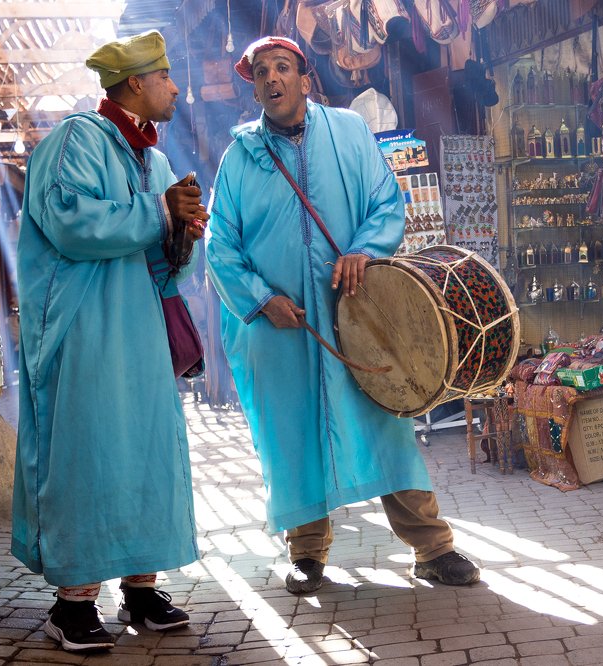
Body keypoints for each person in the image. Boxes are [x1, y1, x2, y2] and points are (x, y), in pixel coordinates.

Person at [205, 36, 480, 595]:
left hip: (355, 316)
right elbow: (220, 243)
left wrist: (363, 250)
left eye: (283, 67)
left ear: (305, 80)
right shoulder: (239, 158)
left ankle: (433, 548)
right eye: (261, 72)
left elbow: (386, 202)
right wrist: (261, 300)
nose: (272, 78)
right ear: (254, 89)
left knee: (386, 420)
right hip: (283, 327)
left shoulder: (350, 132)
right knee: (293, 435)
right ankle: (306, 553)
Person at [13, 30, 209, 652]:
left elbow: (161, 261)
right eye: (165, 76)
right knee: (88, 454)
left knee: (147, 452)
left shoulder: (154, 160)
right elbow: (72, 224)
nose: (175, 88)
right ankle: (72, 604)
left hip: (142, 332)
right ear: (135, 83)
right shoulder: (77, 139)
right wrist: (161, 212)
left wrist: (182, 234)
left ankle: (141, 591)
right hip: (85, 328)